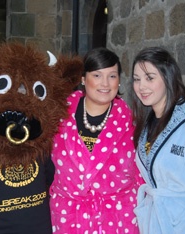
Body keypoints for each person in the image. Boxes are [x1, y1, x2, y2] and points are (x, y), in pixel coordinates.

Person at [50, 47, 143, 233]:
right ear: (83, 79)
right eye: (97, 75)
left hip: (118, 218)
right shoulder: (57, 115)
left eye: (112, 76)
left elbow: (142, 173)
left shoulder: (132, 121)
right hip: (69, 216)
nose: (105, 84)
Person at [131, 46, 185, 233]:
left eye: (150, 78)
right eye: (137, 79)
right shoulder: (147, 123)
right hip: (157, 223)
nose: (141, 87)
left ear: (168, 77)